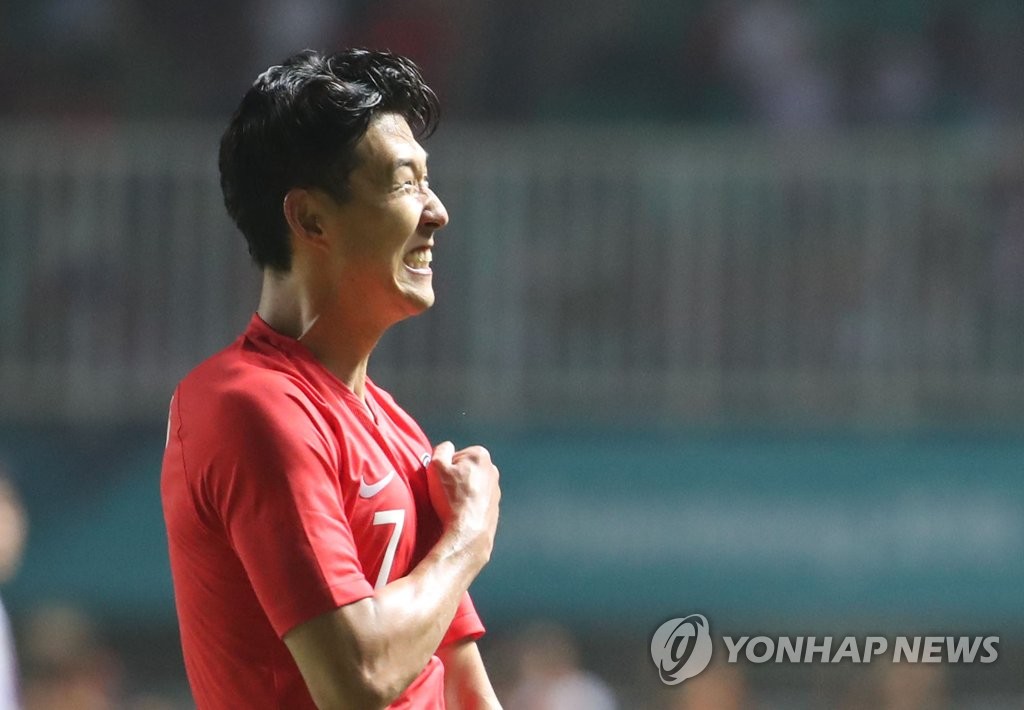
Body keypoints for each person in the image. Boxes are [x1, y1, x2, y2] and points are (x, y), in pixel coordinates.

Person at [160, 49, 502, 709]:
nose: (437, 211)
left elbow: (464, 686)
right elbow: (356, 680)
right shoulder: (245, 404)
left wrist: (461, 543)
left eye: (428, 182)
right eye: (405, 183)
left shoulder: (395, 427)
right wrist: (468, 540)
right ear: (312, 219)